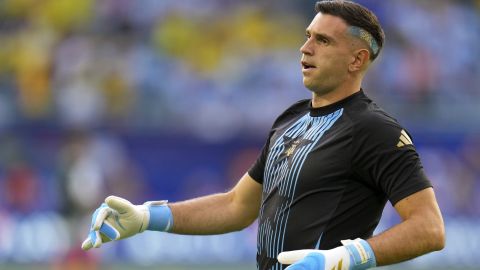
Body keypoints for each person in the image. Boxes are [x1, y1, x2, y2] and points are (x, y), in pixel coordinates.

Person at [81, 1, 445, 269]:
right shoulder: (291, 118)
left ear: (357, 60)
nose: (305, 48)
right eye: (307, 37)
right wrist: (147, 217)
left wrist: (344, 258)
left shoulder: (376, 129)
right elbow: (237, 205)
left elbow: (429, 228)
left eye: (323, 41)